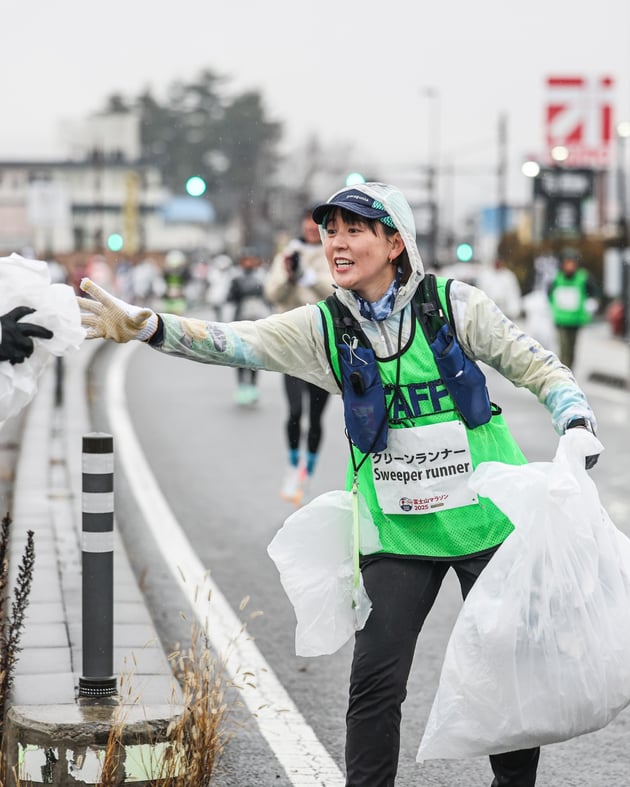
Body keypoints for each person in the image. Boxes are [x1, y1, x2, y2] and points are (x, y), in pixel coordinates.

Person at [77, 181, 599, 787]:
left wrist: (575, 420)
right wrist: (149, 326)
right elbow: (238, 342)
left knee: (510, 675)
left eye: (355, 230)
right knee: (375, 685)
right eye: (331, 231)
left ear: (395, 243)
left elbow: (538, 366)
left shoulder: (455, 306)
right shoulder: (324, 326)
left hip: (487, 522)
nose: (337, 243)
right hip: (397, 532)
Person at [264, 207, 335, 505]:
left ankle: (308, 470)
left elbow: (337, 293)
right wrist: (291, 278)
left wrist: (310, 278)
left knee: (316, 416)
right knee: (295, 411)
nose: (311, 233)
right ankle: (293, 465)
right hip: (292, 343)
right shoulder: (287, 254)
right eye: (307, 228)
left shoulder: (335, 252)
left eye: (316, 229)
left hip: (323, 346)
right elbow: (272, 294)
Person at [227, 246, 270, 405]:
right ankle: (241, 386)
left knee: (254, 355)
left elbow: (269, 298)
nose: (248, 263)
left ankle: (252, 386)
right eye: (246, 260)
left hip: (257, 321)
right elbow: (230, 298)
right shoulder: (236, 278)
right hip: (240, 320)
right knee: (239, 355)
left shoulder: (263, 277)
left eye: (251, 260)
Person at [547, 249, 600, 369]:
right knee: (563, 348)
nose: (570, 266)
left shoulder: (583, 277)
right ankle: (563, 372)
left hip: (575, 319)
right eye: (567, 263)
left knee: (571, 349)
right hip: (560, 319)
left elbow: (594, 293)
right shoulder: (557, 278)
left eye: (572, 263)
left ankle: (569, 370)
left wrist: (592, 304)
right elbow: (549, 294)